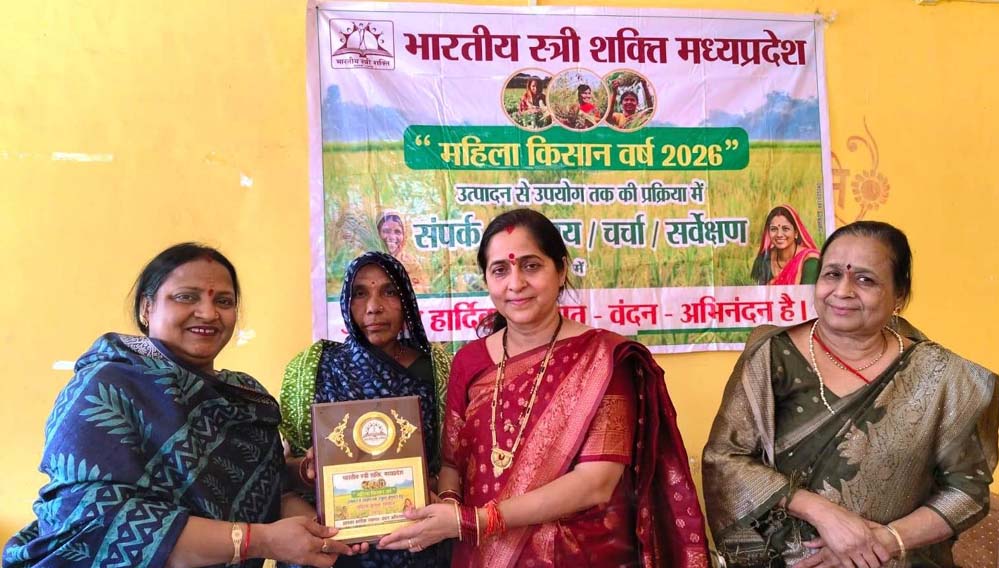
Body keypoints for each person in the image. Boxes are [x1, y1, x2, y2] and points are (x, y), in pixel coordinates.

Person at [377, 209, 709, 567]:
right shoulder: (469, 362)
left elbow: (596, 482)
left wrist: (476, 521)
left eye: (531, 266)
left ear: (561, 270)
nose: (515, 283)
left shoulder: (604, 359)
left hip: (580, 556)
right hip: (481, 554)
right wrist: (447, 508)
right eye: (500, 270)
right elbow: (453, 465)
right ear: (486, 279)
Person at [3, 243, 358, 568]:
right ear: (147, 307)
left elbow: (264, 487)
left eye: (224, 301)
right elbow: (93, 522)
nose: (208, 312)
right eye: (186, 297)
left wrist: (307, 480)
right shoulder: (106, 388)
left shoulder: (246, 396)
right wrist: (259, 540)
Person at [703, 221, 999, 567]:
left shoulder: (942, 376)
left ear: (900, 295)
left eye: (865, 279)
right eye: (831, 275)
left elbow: (967, 490)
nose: (842, 291)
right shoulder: (771, 357)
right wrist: (822, 512)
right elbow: (725, 459)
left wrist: (883, 542)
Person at [280, 251, 451, 568]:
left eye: (389, 292)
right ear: (346, 302)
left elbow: (454, 461)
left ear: (407, 301)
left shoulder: (438, 368)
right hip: (335, 547)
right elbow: (282, 471)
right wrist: (308, 470)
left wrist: (431, 488)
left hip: (418, 542)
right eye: (360, 293)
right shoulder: (314, 368)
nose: (374, 306)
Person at [750, 205, 821, 285]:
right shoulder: (763, 260)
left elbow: (808, 292)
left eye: (785, 229)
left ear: (796, 233)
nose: (779, 234)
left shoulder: (810, 262)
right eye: (774, 229)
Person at [377, 212, 430, 294]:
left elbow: (422, 290)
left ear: (404, 235)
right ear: (377, 233)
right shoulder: (368, 261)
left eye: (397, 232)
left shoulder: (411, 263)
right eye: (386, 231)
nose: (392, 237)